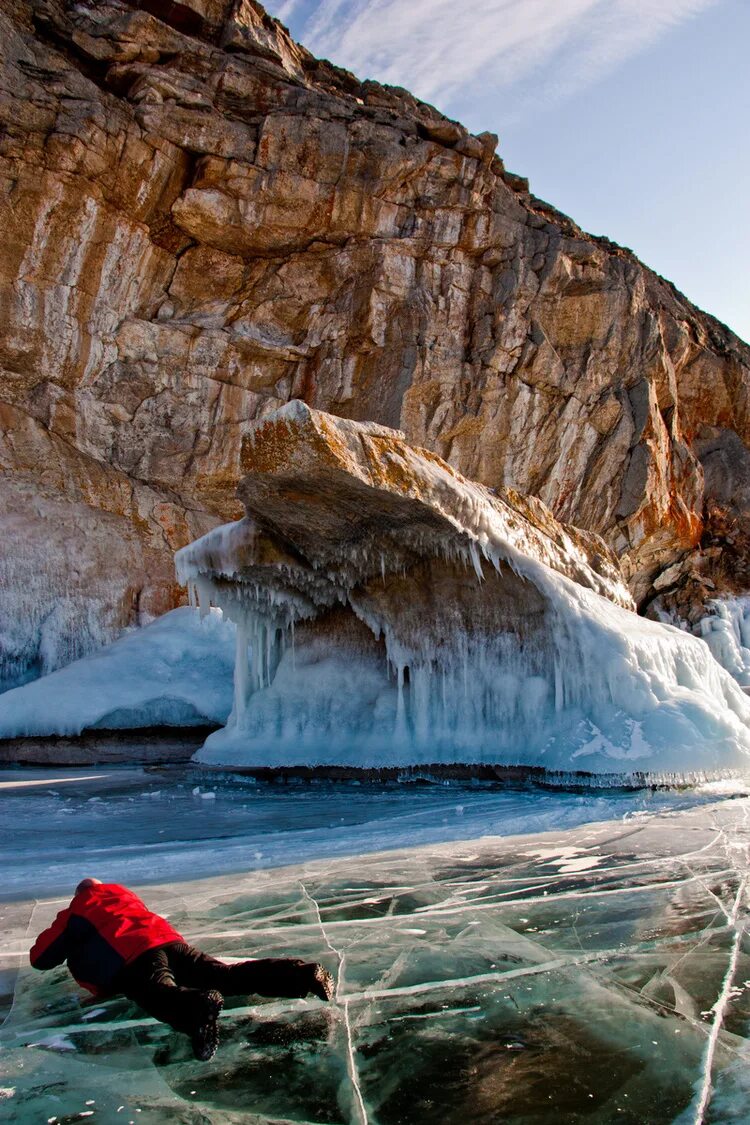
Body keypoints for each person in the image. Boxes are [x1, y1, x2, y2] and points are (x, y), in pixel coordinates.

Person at [30, 878, 334, 1061]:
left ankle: (197, 1009)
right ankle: (302, 973)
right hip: (171, 943)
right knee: (225, 975)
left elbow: (40, 957)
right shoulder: (126, 897)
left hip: (134, 955)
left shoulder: (77, 910)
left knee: (156, 992)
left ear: (79, 894)